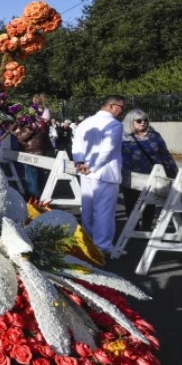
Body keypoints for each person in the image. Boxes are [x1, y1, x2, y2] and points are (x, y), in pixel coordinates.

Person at [72, 95, 125, 255]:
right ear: (112, 106)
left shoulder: (85, 122)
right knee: (104, 212)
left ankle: (89, 241)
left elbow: (76, 144)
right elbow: (107, 149)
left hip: (85, 172)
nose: (122, 111)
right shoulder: (114, 124)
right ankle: (102, 245)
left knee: (87, 209)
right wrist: (91, 166)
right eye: (121, 107)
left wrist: (80, 162)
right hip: (104, 173)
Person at [121, 109, 179, 231]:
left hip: (152, 175)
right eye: (139, 120)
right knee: (131, 203)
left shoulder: (154, 136)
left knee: (150, 202)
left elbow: (165, 154)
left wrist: (173, 170)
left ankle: (146, 228)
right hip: (130, 177)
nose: (143, 123)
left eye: (145, 120)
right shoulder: (122, 138)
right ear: (130, 122)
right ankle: (133, 228)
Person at [14, 117, 54, 198]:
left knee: (31, 175)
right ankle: (40, 195)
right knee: (39, 174)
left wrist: (17, 132)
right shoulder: (41, 123)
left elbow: (22, 137)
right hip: (40, 152)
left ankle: (33, 197)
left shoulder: (30, 124)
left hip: (32, 153)